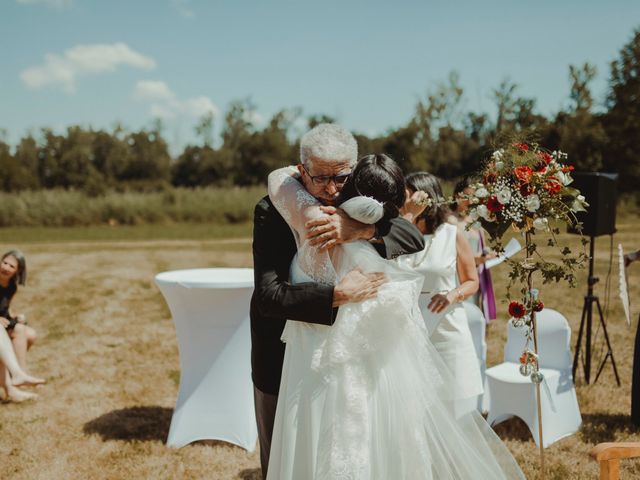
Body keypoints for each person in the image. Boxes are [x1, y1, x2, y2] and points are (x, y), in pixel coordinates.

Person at [266, 154, 525, 479]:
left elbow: (279, 178)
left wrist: (360, 225)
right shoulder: (352, 239)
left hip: (343, 369)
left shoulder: (359, 234)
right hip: (354, 368)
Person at [250, 123, 425, 477]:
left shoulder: (359, 200)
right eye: (319, 178)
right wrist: (336, 295)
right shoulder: (272, 210)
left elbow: (411, 235)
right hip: (281, 355)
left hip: (348, 362)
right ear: (302, 171)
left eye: (341, 177)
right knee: (283, 461)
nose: (331, 189)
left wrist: (362, 230)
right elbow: (268, 295)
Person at [399, 172, 483, 414]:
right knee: (415, 409)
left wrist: (452, 295)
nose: (404, 202)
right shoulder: (398, 232)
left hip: (446, 327)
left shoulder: (451, 233)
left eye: (408, 196)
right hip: (409, 329)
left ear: (427, 197)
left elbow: (471, 281)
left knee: (452, 407)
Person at [451, 177, 497, 321]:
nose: (471, 201)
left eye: (474, 196)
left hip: (474, 274)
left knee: (474, 314)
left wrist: (486, 254)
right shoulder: (450, 220)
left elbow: (478, 246)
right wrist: (476, 258)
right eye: (468, 196)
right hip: (456, 276)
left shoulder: (476, 221)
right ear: (457, 196)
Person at [0, 249, 44, 402]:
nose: (6, 267)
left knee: (28, 333)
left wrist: (15, 316)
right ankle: (15, 379)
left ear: (17, 271)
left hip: (3, 323)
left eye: (11, 266)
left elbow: (5, 307)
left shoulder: (11, 286)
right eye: (4, 263)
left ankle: (21, 376)